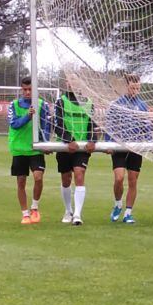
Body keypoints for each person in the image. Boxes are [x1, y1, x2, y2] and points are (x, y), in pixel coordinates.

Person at [105, 74, 151, 225]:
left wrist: (148, 143)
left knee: (133, 181)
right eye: (133, 88)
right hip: (119, 147)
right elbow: (109, 125)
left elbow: (147, 127)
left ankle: (128, 213)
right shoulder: (116, 104)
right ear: (126, 87)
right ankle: (118, 203)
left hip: (136, 148)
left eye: (138, 88)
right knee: (119, 178)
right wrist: (108, 144)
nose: (135, 90)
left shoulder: (143, 106)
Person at [7, 77, 51, 224]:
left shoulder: (42, 105)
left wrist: (46, 144)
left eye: (30, 90)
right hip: (19, 149)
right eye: (24, 89)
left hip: (35, 149)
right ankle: (25, 213)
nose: (27, 92)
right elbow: (14, 124)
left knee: (38, 177)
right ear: (21, 89)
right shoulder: (13, 105)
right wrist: (28, 116)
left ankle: (35, 207)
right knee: (21, 182)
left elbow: (46, 126)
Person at [53, 87, 96, 226]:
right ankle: (68, 210)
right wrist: (69, 140)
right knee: (66, 179)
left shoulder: (89, 102)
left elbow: (92, 125)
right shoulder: (61, 102)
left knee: (79, 174)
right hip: (66, 146)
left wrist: (92, 140)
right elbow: (57, 125)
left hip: (82, 148)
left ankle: (77, 214)